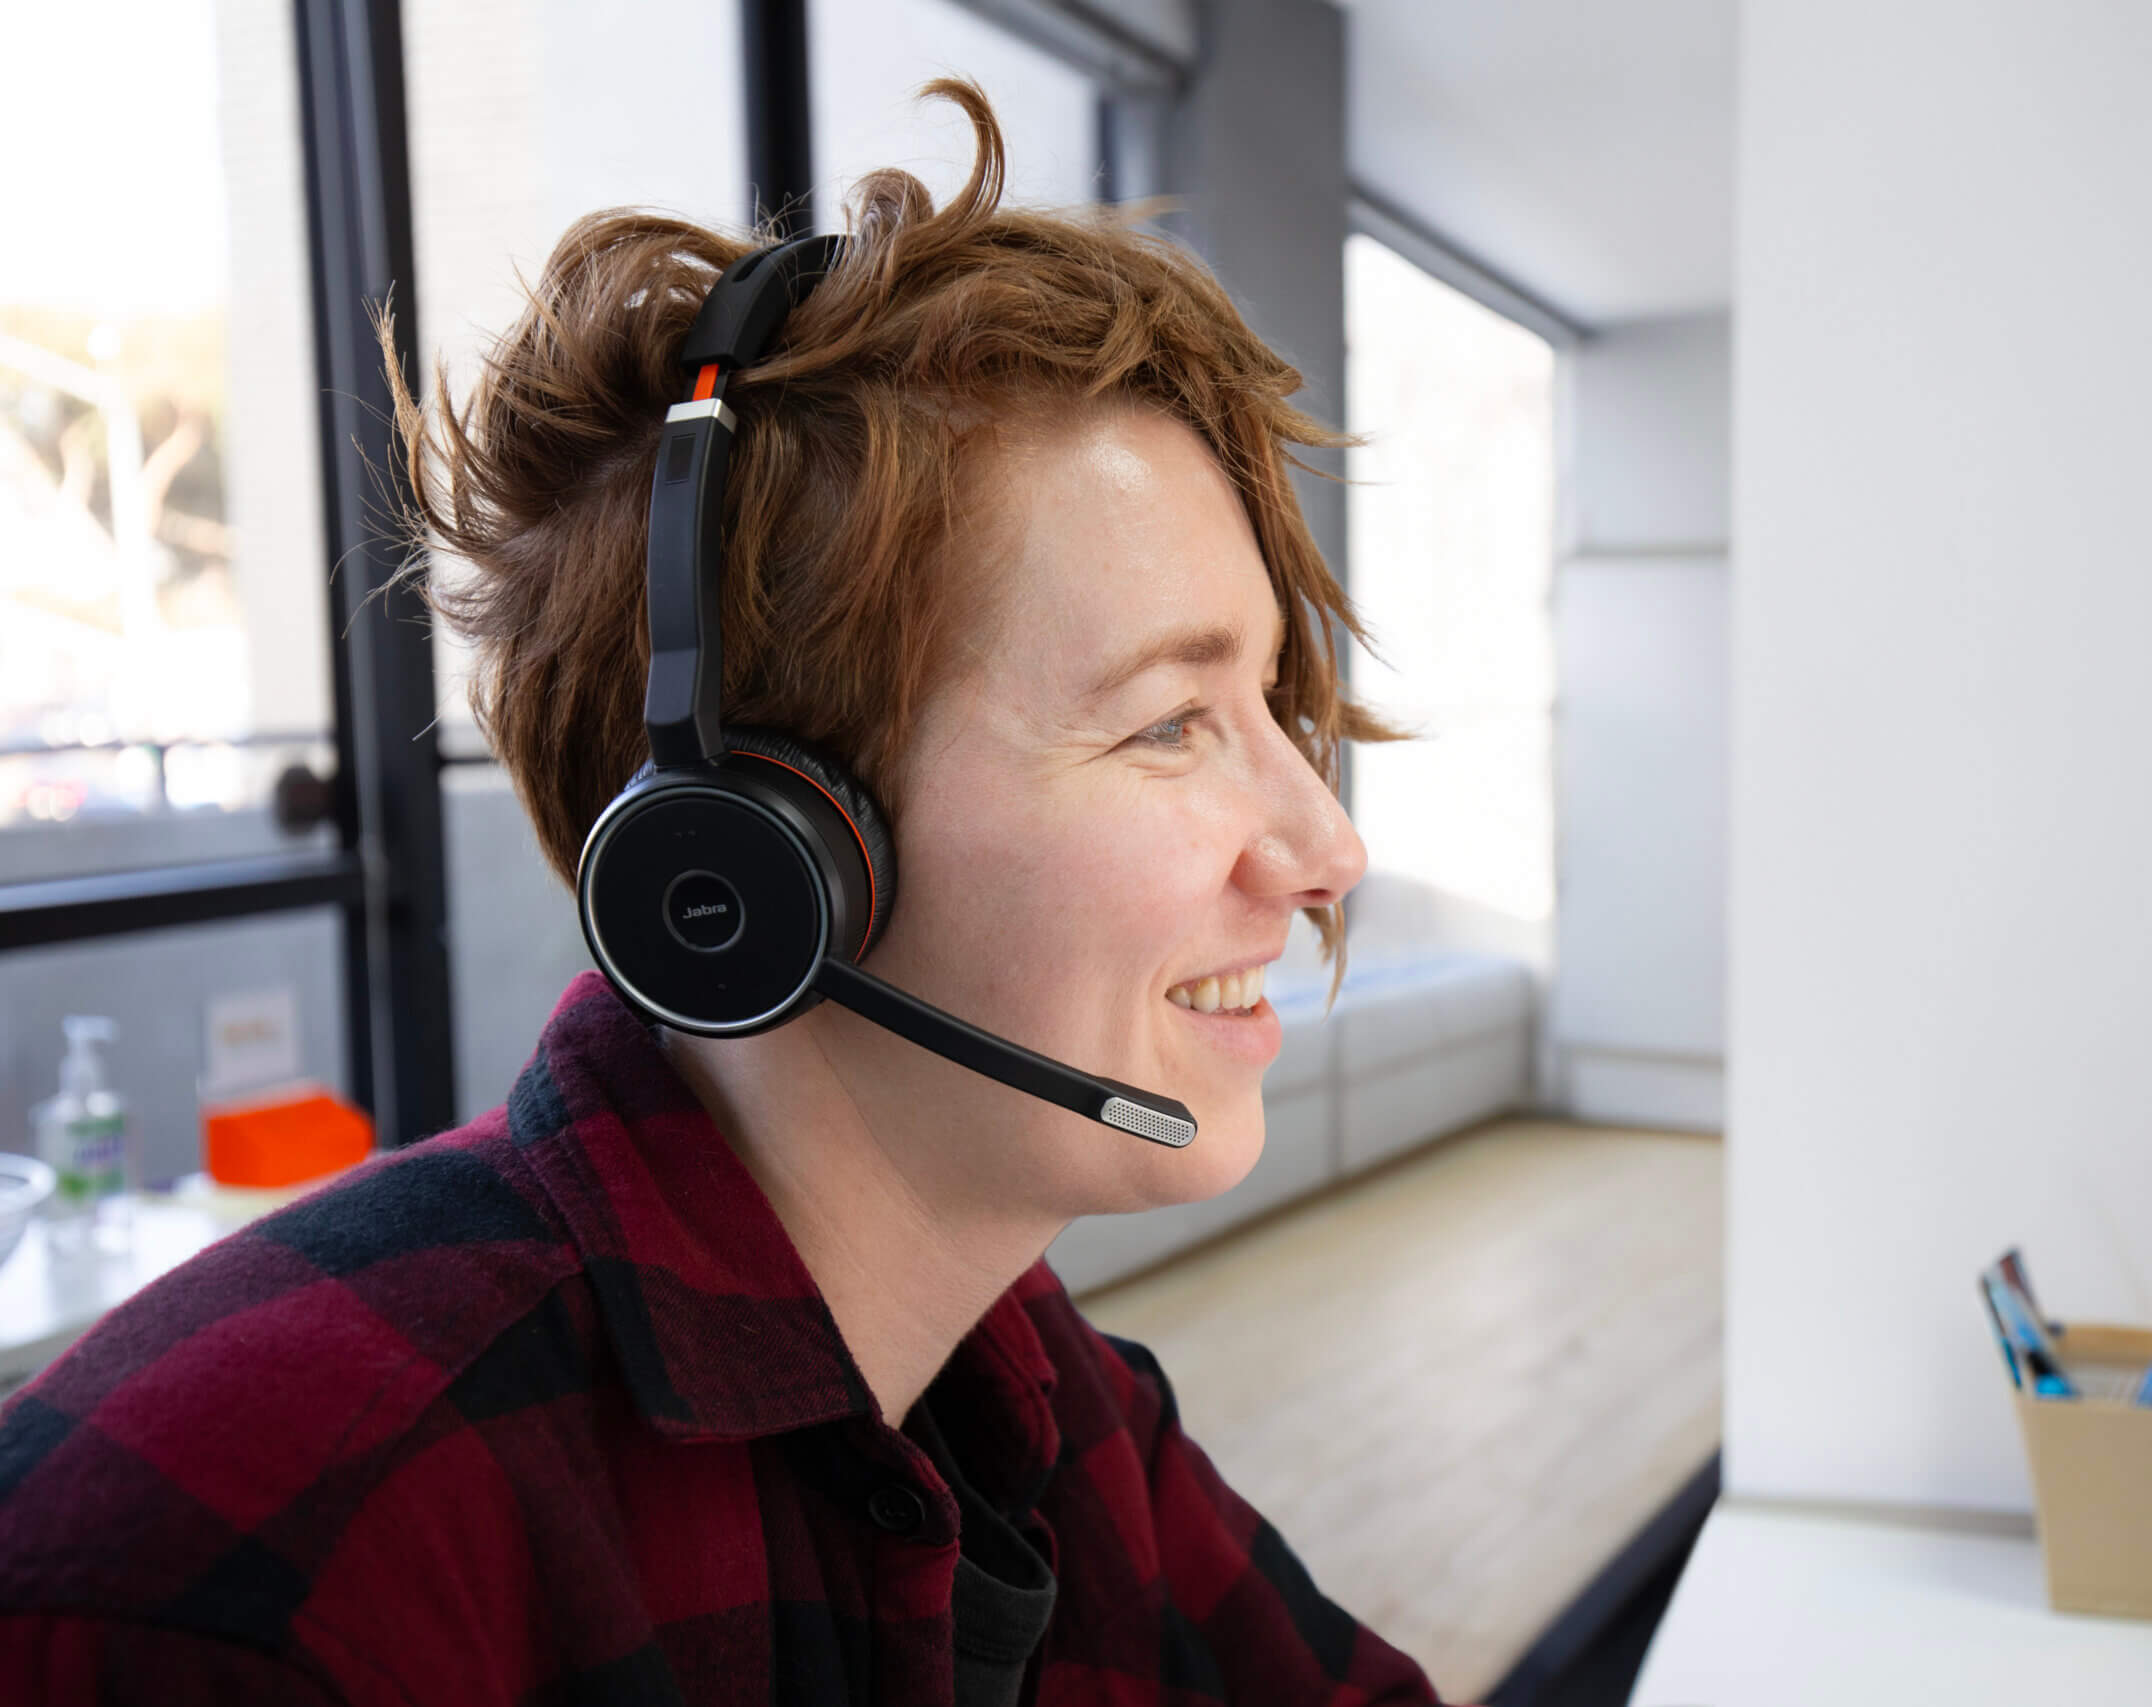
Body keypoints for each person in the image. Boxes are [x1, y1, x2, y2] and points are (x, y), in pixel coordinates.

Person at [0, 78, 1468, 1705]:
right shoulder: (252, 1582)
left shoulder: (1034, 1394)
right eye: (1170, 722)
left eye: (1273, 704)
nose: (1324, 848)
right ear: (762, 863)